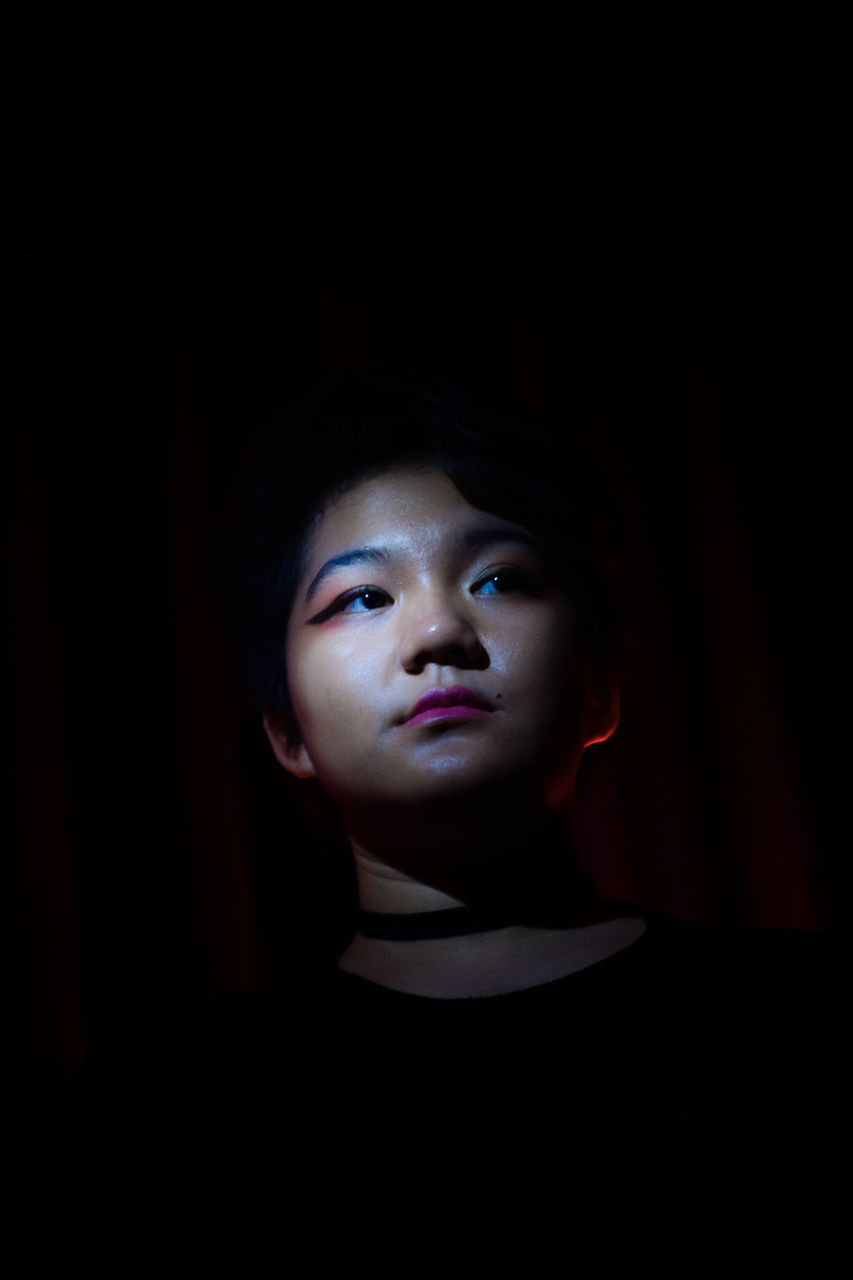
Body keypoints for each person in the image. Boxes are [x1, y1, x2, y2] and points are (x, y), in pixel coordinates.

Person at [29, 366, 837, 1266]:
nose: (438, 635)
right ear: (286, 729)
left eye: (498, 579)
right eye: (362, 597)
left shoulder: (812, 1033)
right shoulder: (157, 1119)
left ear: (600, 687)